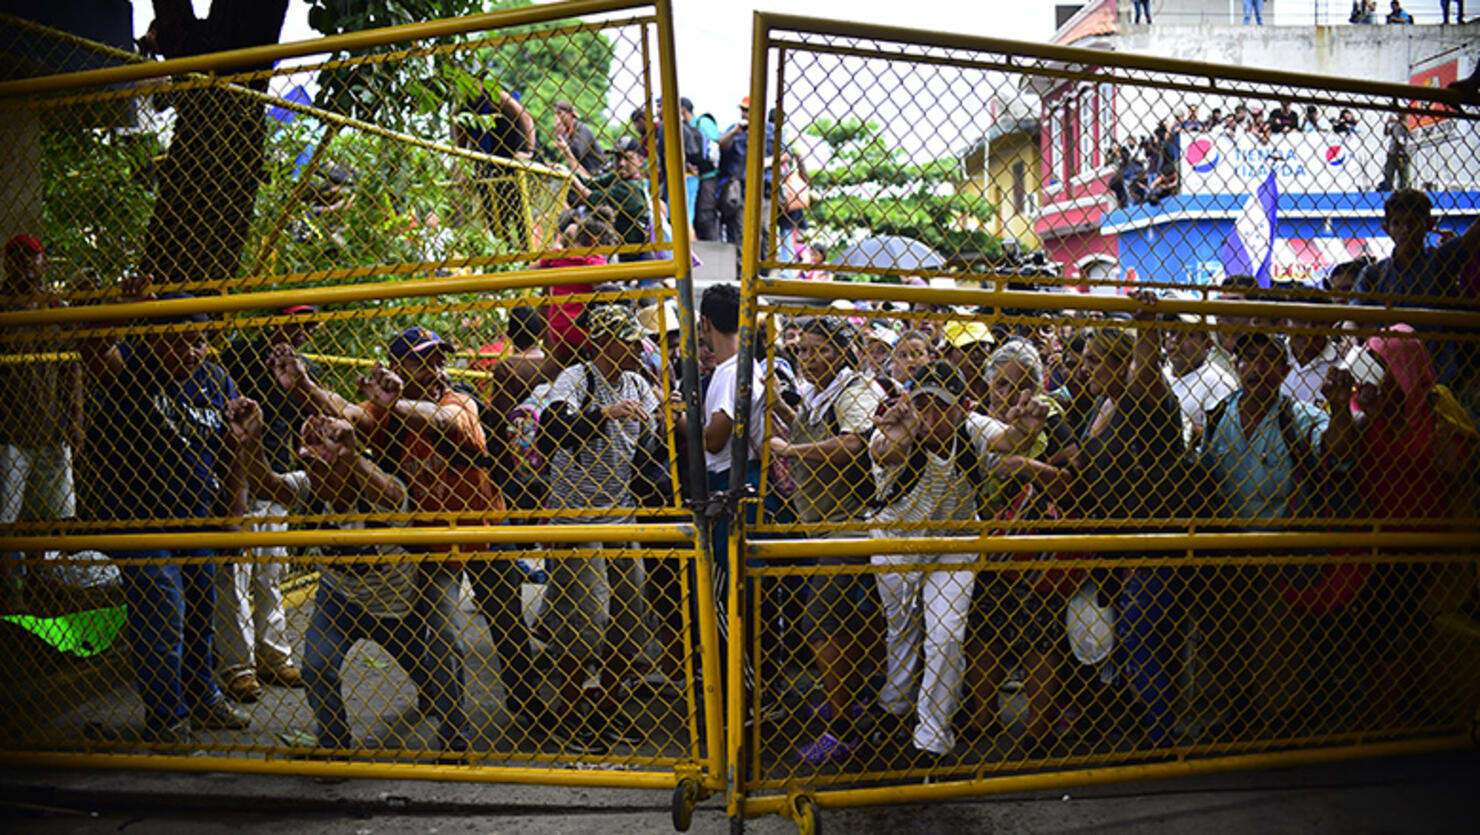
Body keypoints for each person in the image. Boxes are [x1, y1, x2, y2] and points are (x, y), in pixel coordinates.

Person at [272, 326, 503, 753]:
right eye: (423, 360)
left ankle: (534, 708)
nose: (437, 367)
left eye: (440, 357)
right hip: (434, 549)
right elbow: (347, 414)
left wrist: (395, 401)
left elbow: (445, 421)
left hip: (485, 530)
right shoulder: (386, 411)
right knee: (440, 636)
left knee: (508, 630)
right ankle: (455, 739)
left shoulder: (458, 398)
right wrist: (303, 385)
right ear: (397, 368)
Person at [79, 281, 250, 742]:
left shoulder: (216, 380)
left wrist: (234, 516)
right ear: (152, 338)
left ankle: (203, 698)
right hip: (138, 517)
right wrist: (122, 307)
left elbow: (233, 450)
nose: (191, 352)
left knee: (200, 611)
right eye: (177, 341)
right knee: (163, 606)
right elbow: (93, 346)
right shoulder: (132, 367)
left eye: (197, 341)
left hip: (195, 517)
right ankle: (167, 716)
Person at [226, 402, 445, 753]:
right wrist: (251, 442)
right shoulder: (311, 488)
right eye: (310, 466)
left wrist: (352, 456)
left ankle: (435, 698)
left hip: (395, 605)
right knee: (316, 666)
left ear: (349, 465)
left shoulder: (376, 487)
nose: (317, 476)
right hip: (339, 598)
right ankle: (334, 743)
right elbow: (269, 486)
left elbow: (393, 496)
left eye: (327, 467)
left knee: (429, 671)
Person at [537, 304, 660, 754]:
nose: (637, 348)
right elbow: (551, 429)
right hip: (575, 517)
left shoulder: (641, 385)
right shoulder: (578, 378)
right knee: (586, 622)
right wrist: (604, 414)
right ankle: (570, 716)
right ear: (605, 342)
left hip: (622, 514)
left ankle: (608, 709)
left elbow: (652, 447)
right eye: (628, 341)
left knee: (629, 622)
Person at [1065, 294, 1187, 749]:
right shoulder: (1103, 410)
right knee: (1127, 638)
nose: (1085, 369)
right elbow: (1081, 464)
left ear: (1121, 364)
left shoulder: (1145, 397)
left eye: (1096, 361)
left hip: (1153, 539)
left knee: (1140, 633)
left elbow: (1149, 369)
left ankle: (1159, 736)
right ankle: (1141, 722)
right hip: (1115, 541)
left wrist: (1147, 325)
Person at [767, 316, 884, 765]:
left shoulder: (853, 390)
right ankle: (851, 700)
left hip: (849, 523)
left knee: (819, 622)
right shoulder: (822, 393)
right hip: (825, 523)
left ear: (843, 351)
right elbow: (820, 428)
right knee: (841, 622)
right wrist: (782, 410)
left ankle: (842, 728)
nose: (811, 359)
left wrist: (791, 451)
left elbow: (856, 442)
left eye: (822, 351)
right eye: (805, 351)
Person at [210, 305, 320, 702]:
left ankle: (273, 657)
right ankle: (238, 667)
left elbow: (305, 421)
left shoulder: (302, 366)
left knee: (269, 573)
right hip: (234, 475)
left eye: (312, 323)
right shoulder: (239, 354)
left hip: (275, 475)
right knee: (234, 576)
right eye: (301, 321)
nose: (308, 329)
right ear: (278, 320)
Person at [2, 234, 80, 614]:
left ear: (44, 262)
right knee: (7, 514)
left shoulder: (54, 305)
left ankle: (41, 580)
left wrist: (76, 418)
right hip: (9, 427)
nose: (25, 264)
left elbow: (72, 368)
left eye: (31, 257)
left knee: (49, 513)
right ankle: (12, 585)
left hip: (51, 424)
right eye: (16, 258)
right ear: (6, 264)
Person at [1355, 188, 1480, 385]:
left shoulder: (1441, 261)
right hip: (1388, 383)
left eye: (1413, 222)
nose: (1405, 229)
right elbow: (1353, 319)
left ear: (1428, 225)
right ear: (1387, 228)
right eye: (1397, 223)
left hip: (1439, 380)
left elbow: (1473, 235)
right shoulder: (1373, 274)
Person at [452, 81, 536, 250]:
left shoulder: (497, 95)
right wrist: (461, 166)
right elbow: (460, 140)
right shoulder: (461, 105)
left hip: (512, 155)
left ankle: (527, 251)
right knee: (494, 214)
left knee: (519, 211)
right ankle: (506, 251)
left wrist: (529, 151)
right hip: (486, 163)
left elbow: (526, 117)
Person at [568, 138, 652, 263]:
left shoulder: (631, 187)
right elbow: (592, 183)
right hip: (617, 244)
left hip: (630, 253)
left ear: (640, 161)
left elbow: (594, 198)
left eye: (628, 158)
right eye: (618, 158)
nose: (622, 163)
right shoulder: (618, 176)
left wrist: (571, 180)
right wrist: (568, 172)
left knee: (573, 231)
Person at [1165, 313, 1239, 449]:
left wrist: (1184, 427)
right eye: (1172, 332)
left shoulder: (1217, 382)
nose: (1176, 339)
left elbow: (1222, 438)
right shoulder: (1163, 372)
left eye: (1188, 335)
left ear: (1207, 345)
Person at [682, 96, 722, 241]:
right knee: (695, 216)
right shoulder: (683, 127)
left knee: (706, 213)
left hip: (708, 175)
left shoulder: (702, 122)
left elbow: (718, 141)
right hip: (691, 176)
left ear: (683, 109)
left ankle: (713, 245)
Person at [551, 99, 606, 178]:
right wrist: (560, 136)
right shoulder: (567, 132)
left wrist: (562, 136)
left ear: (570, 114)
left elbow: (577, 152)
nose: (556, 117)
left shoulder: (581, 128)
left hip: (600, 173)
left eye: (559, 113)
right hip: (583, 173)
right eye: (555, 114)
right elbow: (564, 153)